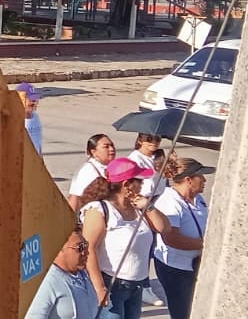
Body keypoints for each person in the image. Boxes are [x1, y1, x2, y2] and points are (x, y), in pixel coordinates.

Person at [78, 158, 172, 319]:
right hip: (112, 284)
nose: (142, 185)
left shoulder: (138, 208)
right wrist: (99, 288)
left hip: (137, 285)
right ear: (126, 184)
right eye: (139, 181)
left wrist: (148, 206)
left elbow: (164, 228)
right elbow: (89, 249)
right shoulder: (100, 210)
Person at [152, 158, 212, 319]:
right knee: (183, 313)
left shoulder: (198, 198)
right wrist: (206, 244)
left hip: (195, 264)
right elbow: (172, 238)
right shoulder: (169, 202)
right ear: (188, 180)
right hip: (176, 269)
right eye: (201, 176)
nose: (205, 180)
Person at [25, 226, 100, 319]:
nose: (86, 253)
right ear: (59, 249)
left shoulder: (82, 275)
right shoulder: (47, 281)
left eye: (86, 246)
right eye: (80, 248)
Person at [68, 134, 116, 211]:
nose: (111, 149)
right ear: (94, 152)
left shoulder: (114, 167)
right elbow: (75, 197)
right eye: (106, 147)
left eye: (112, 145)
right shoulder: (87, 170)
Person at [126, 133, 163, 199]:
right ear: (140, 140)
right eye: (149, 139)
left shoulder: (160, 157)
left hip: (161, 199)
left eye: (157, 139)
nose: (154, 142)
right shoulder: (134, 159)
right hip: (145, 200)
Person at [16, 82, 44, 154]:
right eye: (31, 100)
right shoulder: (16, 121)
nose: (35, 103)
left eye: (36, 100)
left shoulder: (35, 117)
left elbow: (38, 142)